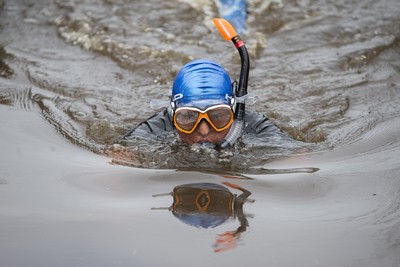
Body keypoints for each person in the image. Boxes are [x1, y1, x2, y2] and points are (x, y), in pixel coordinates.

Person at [122, 59, 290, 148]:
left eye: (218, 116)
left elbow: (296, 155)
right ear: (173, 113)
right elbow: (121, 154)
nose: (203, 130)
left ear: (233, 110)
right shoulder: (165, 122)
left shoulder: (244, 119)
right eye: (189, 117)